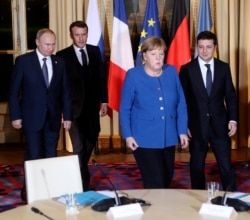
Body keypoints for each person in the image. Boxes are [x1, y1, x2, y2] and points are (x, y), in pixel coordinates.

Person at [8, 28, 72, 201]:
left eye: (53, 44)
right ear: (37, 42)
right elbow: (14, 92)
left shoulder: (60, 63)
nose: (50, 48)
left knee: (51, 155)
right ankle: (29, 189)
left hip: (52, 118)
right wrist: (15, 116)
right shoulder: (23, 61)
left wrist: (68, 116)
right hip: (31, 118)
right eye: (47, 44)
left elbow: (65, 92)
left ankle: (49, 190)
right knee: (34, 154)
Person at [119, 36, 189, 189]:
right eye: (153, 54)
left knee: (166, 178)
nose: (158, 58)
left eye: (161, 54)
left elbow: (181, 103)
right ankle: (157, 211)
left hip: (168, 136)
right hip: (143, 138)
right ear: (144, 56)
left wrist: (182, 130)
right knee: (155, 182)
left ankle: (162, 209)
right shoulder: (133, 75)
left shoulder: (171, 71)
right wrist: (128, 135)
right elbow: (125, 108)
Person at [179, 31, 237, 191]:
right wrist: (184, 125)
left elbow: (230, 96)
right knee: (197, 167)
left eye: (208, 47)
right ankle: (198, 198)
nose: (204, 51)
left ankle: (231, 198)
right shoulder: (187, 69)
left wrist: (233, 119)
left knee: (226, 166)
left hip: (221, 125)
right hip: (196, 127)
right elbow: (181, 100)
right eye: (201, 47)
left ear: (215, 47)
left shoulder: (223, 68)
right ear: (197, 47)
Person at [56, 21, 108, 191]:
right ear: (71, 35)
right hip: (73, 110)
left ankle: (77, 172)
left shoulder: (94, 51)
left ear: (87, 34)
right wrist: (63, 111)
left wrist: (105, 100)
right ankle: (82, 184)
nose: (80, 38)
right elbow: (60, 86)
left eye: (83, 34)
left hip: (92, 108)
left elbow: (101, 78)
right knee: (78, 148)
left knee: (91, 139)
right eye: (77, 34)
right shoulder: (62, 55)